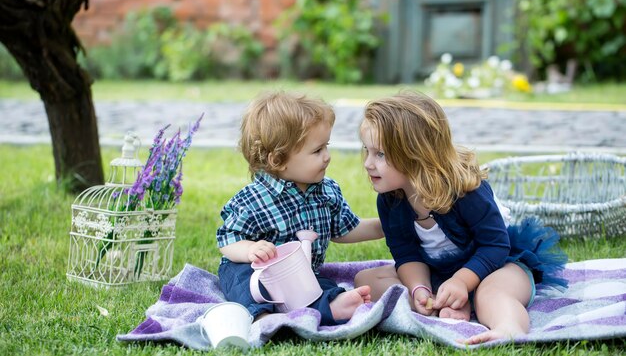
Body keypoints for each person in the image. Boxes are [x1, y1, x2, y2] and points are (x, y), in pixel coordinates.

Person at [354, 91, 567, 344]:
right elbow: (406, 254)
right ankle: (444, 302)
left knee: (492, 292)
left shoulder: (466, 190)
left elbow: (495, 245)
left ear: (415, 153)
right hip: (439, 272)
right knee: (366, 280)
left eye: (380, 154)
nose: (368, 163)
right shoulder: (391, 200)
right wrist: (419, 288)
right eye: (367, 150)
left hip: (495, 265)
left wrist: (462, 281)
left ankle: (508, 327)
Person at [217, 91, 384, 326]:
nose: (327, 157)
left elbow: (345, 229)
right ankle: (263, 316)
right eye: (317, 151)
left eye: (326, 146)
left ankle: (332, 306)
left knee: (322, 286)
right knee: (240, 279)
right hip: (258, 274)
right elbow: (227, 240)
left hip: (300, 277)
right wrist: (251, 249)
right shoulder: (253, 199)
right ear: (278, 160)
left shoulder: (326, 191)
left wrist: (385, 225)